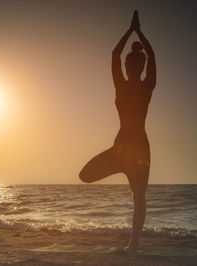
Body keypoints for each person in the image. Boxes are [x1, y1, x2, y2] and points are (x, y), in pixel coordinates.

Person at [79, 10, 156, 251]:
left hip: (131, 146)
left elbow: (140, 54)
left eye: (138, 64)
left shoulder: (137, 86)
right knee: (86, 176)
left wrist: (134, 31)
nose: (135, 68)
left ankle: (134, 242)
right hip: (128, 146)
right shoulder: (135, 86)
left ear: (139, 66)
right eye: (133, 64)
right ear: (131, 66)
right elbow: (126, 54)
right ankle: (134, 241)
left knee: (139, 197)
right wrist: (136, 31)